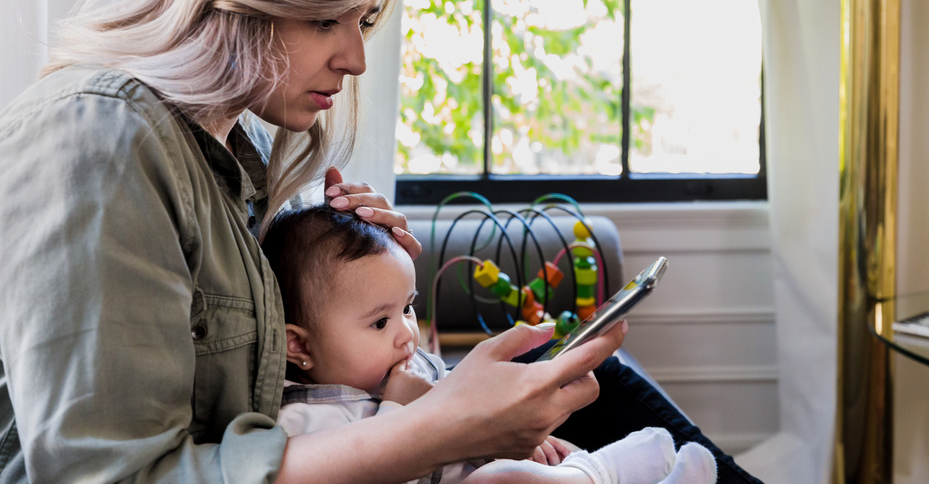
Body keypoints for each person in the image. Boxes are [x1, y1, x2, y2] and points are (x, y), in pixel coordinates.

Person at [0, 0, 628, 483]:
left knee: (608, 386)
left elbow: (267, 406)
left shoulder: (221, 155)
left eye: (363, 19)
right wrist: (435, 429)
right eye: (323, 18)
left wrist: (358, 290)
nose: (353, 58)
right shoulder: (93, 145)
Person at [262, 204, 718, 484]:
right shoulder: (302, 419)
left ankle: (608, 472)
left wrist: (521, 439)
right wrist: (400, 410)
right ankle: (603, 473)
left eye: (407, 308)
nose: (406, 332)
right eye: (379, 322)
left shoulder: (413, 366)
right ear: (298, 347)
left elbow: (475, 420)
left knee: (544, 459)